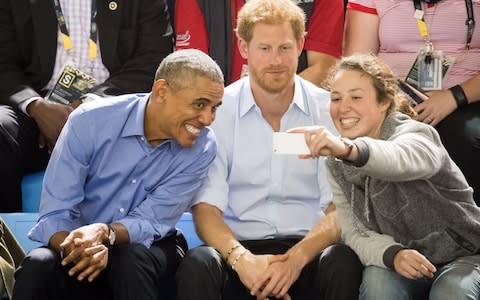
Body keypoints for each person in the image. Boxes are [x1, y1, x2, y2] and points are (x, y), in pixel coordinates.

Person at [175, 1, 363, 300]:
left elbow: (339, 209)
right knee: (199, 264)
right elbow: (206, 209)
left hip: (308, 250)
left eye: (285, 48)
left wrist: (296, 260)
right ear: (243, 47)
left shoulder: (327, 110)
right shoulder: (220, 113)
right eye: (264, 48)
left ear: (301, 44)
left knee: (342, 260)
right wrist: (242, 260)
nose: (275, 60)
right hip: (239, 252)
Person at [12, 49, 225, 300]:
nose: (208, 118)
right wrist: (85, 248)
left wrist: (105, 233)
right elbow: (56, 213)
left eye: (214, 108)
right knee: (38, 264)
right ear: (161, 91)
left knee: (129, 258)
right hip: (77, 241)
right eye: (200, 104)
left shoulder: (203, 145)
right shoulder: (90, 121)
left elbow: (153, 220)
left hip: (151, 247)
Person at [292, 54, 480, 300]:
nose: (343, 107)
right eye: (336, 98)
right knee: (378, 283)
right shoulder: (336, 163)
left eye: (356, 97)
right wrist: (392, 254)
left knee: (451, 291)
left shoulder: (416, 133)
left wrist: (348, 150)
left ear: (384, 102)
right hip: (403, 257)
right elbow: (355, 232)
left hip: (463, 255)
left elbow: (399, 159)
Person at [0, 0, 174, 212]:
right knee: (1, 128)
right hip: (40, 112)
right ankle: (8, 239)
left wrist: (87, 105)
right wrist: (35, 106)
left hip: (114, 107)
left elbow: (153, 60)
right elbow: (4, 62)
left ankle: (128, 239)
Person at [343, 0, 480, 206]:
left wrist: (455, 97)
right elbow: (358, 66)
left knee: (464, 136)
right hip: (392, 98)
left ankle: (465, 226)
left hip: (466, 99)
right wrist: (391, 101)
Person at [174, 0, 344, 87]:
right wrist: (236, 109)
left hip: (293, 118)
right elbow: (193, 75)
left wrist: (275, 106)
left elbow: (323, 66)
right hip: (220, 116)